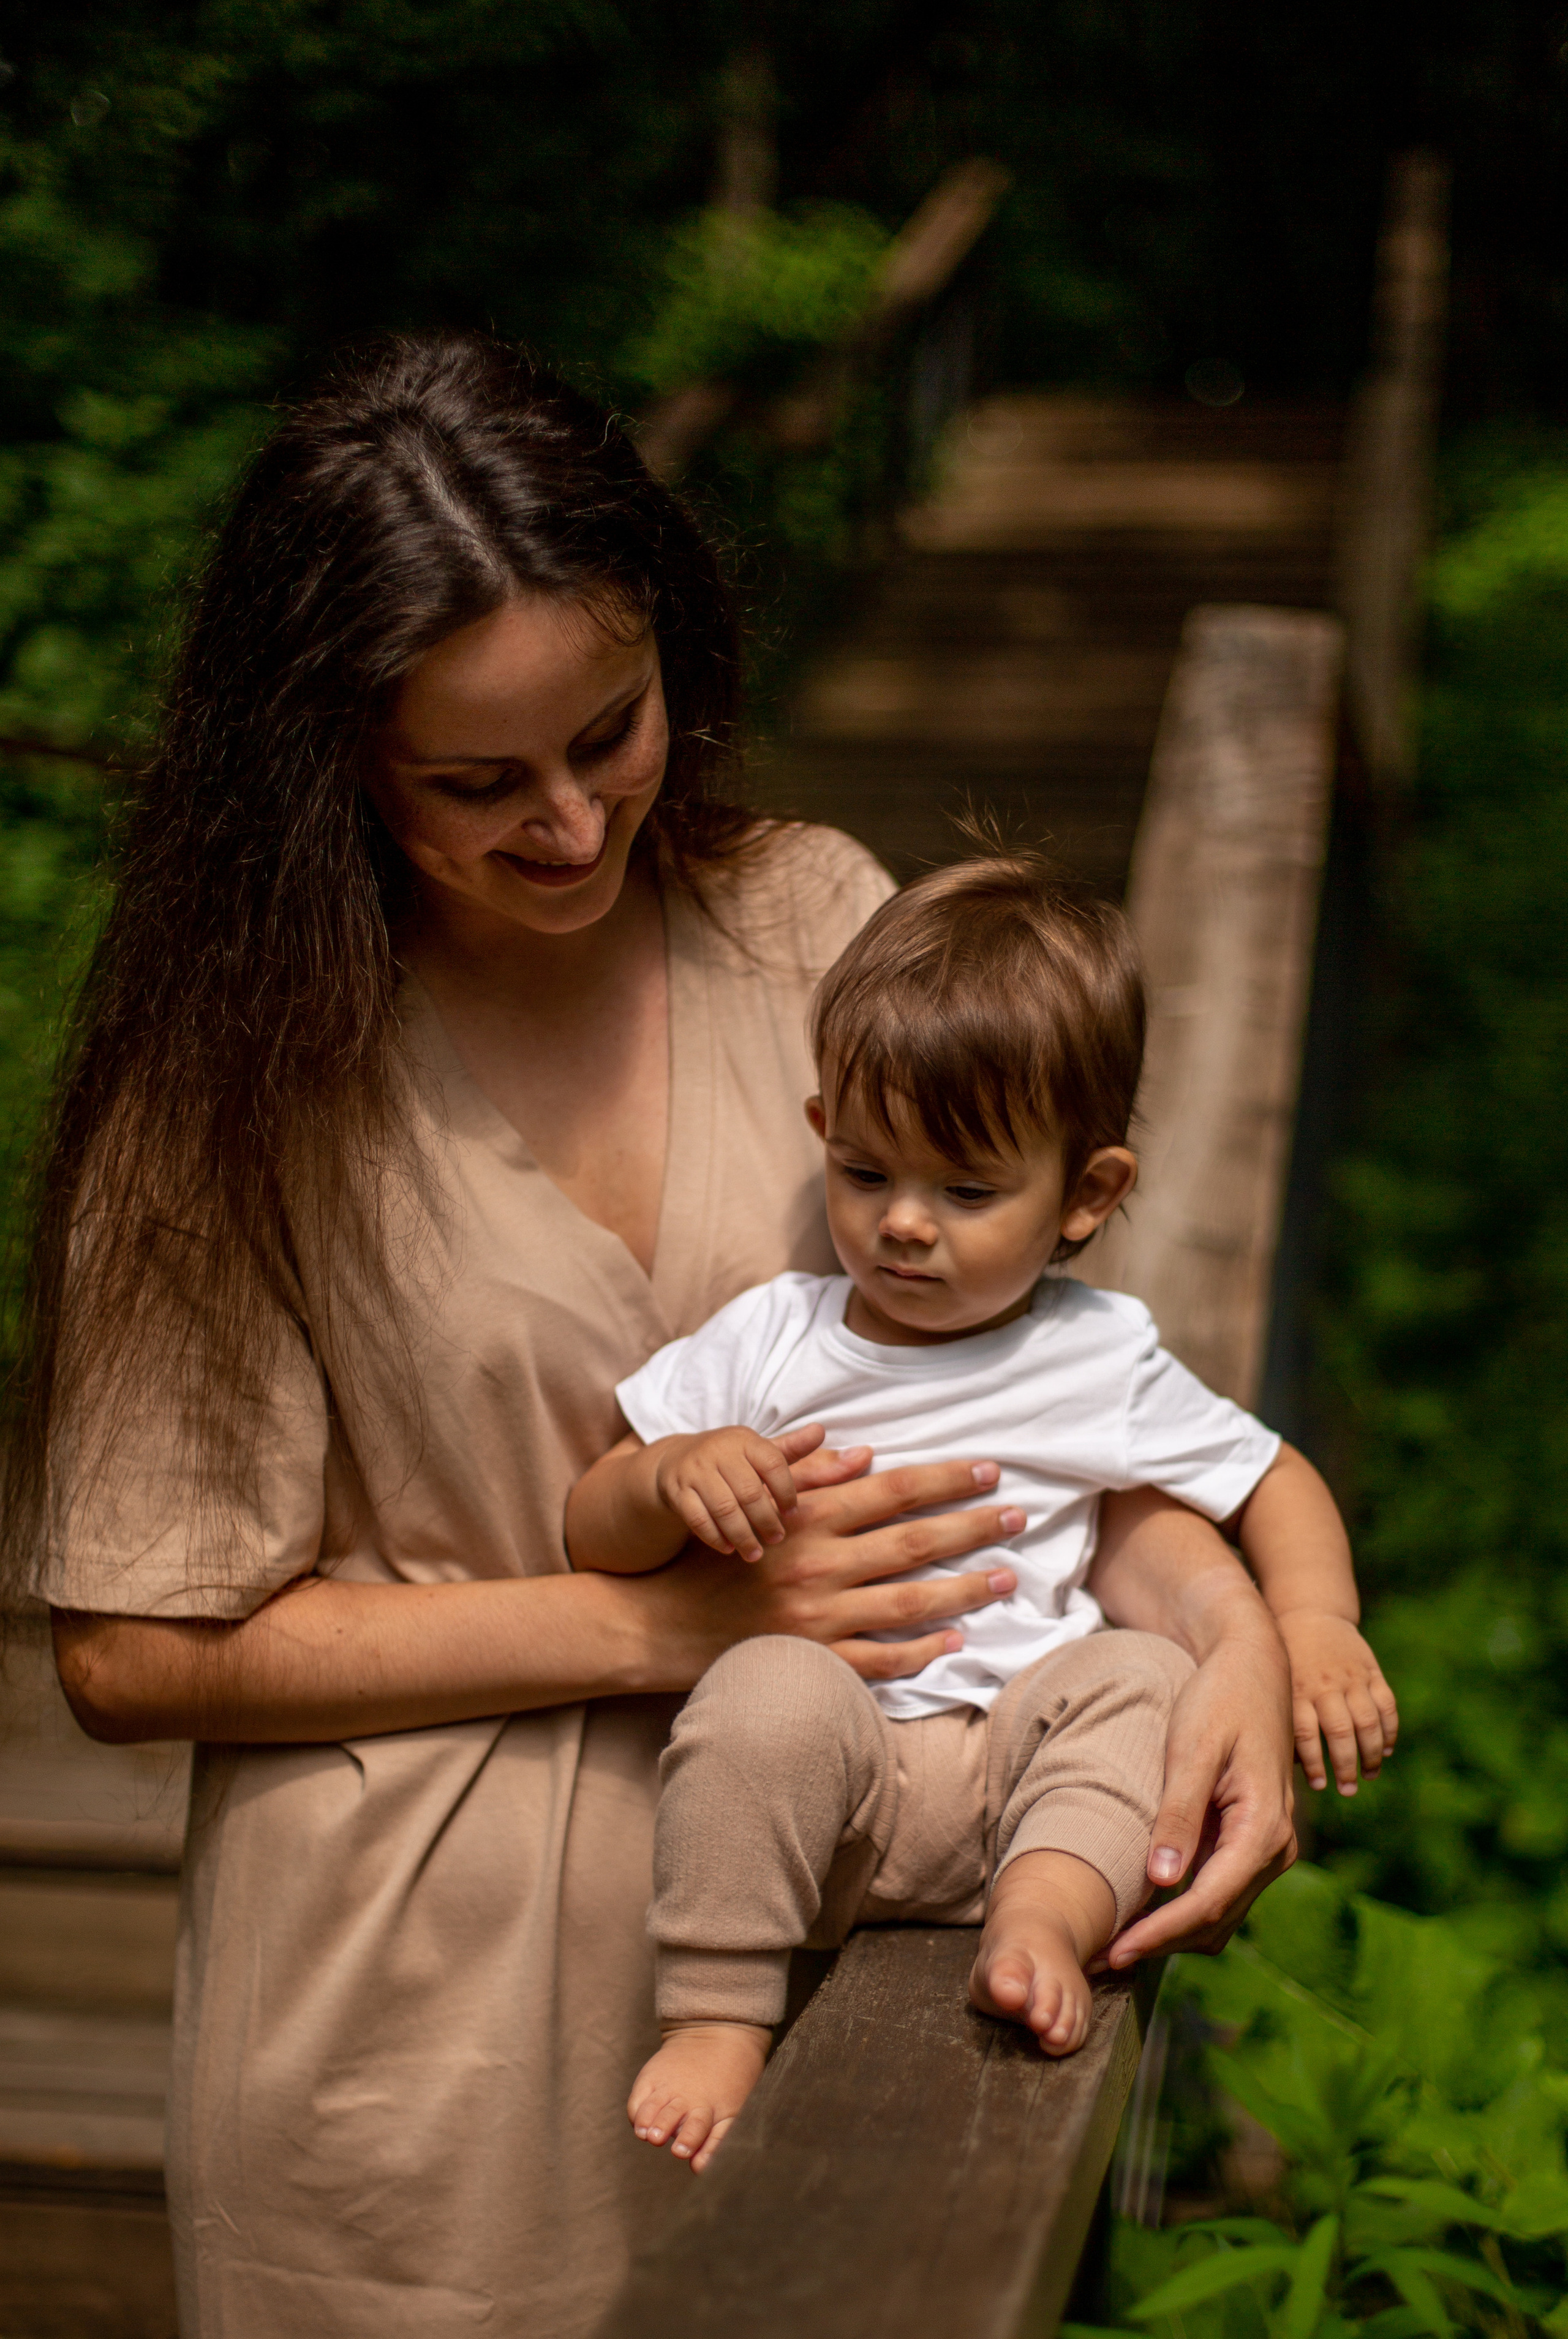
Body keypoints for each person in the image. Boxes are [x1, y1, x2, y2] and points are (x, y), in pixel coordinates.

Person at [7, 333, 1327, 2338]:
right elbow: (130, 1651)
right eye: (477, 783)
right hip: (413, 2043)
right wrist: (659, 1626)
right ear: (324, 757)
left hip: (852, 1955)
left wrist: (1236, 1651)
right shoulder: (230, 1083)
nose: (569, 823)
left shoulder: (812, 924)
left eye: (607, 734)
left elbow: (1023, 1395)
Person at [566, 855, 1398, 2171]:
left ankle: (1042, 1917)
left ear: (1086, 1194)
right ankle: (718, 2009)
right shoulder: (774, 1336)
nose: (903, 1225)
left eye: (966, 1192)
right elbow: (589, 1528)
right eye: (863, 1171)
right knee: (765, 1689)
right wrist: (667, 1478)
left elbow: (1271, 1477)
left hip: (1025, 1779)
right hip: (830, 1793)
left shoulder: (1096, 1355)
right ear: (822, 1128)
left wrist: (1315, 1624)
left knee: (1139, 1678)